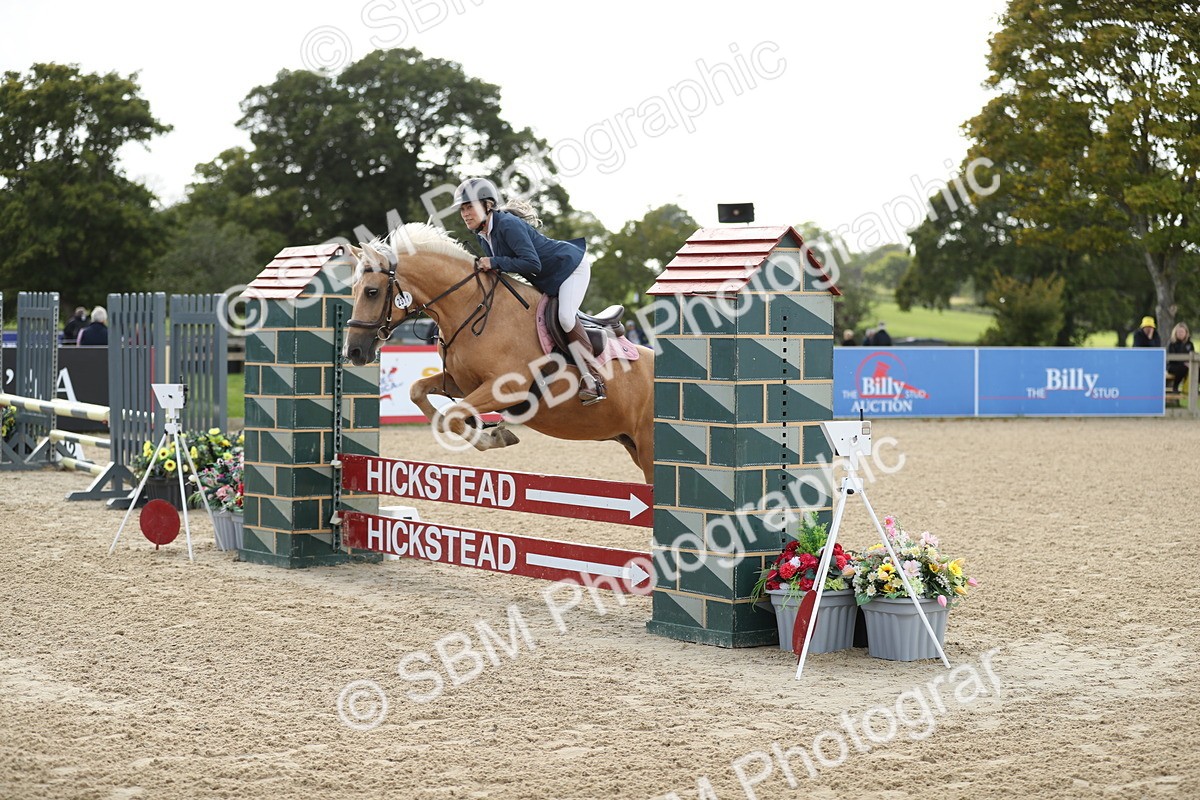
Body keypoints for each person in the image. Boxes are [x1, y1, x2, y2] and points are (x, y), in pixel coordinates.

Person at [455, 178, 605, 405]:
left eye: (470, 207)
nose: (466, 213)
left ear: (487, 206)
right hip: (546, 279)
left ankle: (592, 378)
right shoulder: (483, 235)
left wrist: (494, 261)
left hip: (569, 267)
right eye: (463, 209)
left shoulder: (506, 225)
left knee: (565, 318)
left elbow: (531, 263)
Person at [1167, 322, 1194, 392]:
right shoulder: (1172, 343)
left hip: (1188, 365)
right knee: (1183, 368)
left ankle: (1194, 388)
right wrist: (1184, 363)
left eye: (1182, 332)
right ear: (1175, 333)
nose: (1180, 333)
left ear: (1186, 333)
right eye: (1179, 332)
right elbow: (1172, 358)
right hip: (1173, 366)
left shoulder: (1190, 344)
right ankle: (1175, 386)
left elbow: (1193, 355)